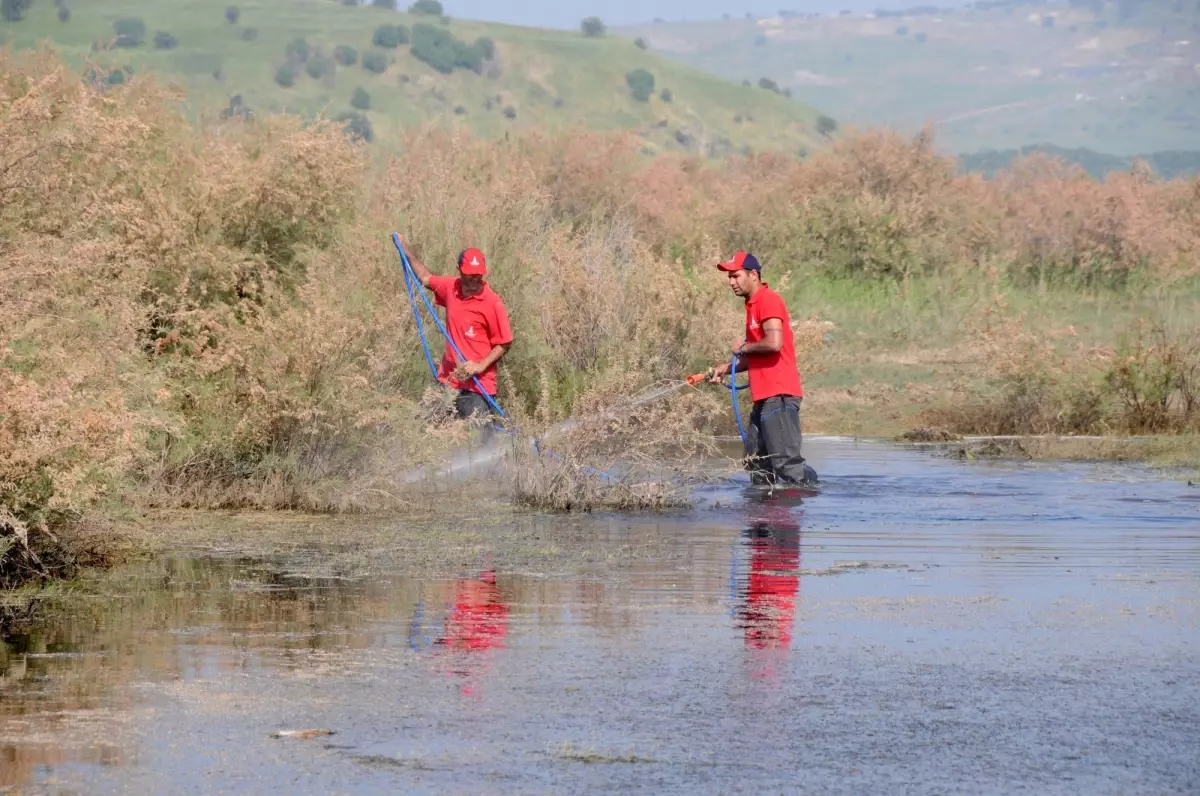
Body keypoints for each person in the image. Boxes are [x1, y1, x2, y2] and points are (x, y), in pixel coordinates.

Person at [709, 250, 816, 487]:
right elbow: (755, 353)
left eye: (735, 276)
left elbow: (773, 343)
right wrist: (725, 369)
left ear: (753, 275)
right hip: (764, 396)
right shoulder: (752, 305)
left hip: (779, 394)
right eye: (729, 277)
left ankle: (797, 509)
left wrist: (743, 347)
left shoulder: (768, 300)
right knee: (756, 462)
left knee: (786, 464)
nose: (731, 282)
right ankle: (761, 519)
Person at [402, 239, 514, 431]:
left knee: (481, 443)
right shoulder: (451, 288)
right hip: (448, 380)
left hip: (477, 387)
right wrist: (403, 246)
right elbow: (425, 277)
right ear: (459, 270)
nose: (474, 280)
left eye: (478, 276)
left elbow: (504, 343)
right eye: (469, 275)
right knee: (420, 429)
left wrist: (480, 366)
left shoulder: (493, 302)